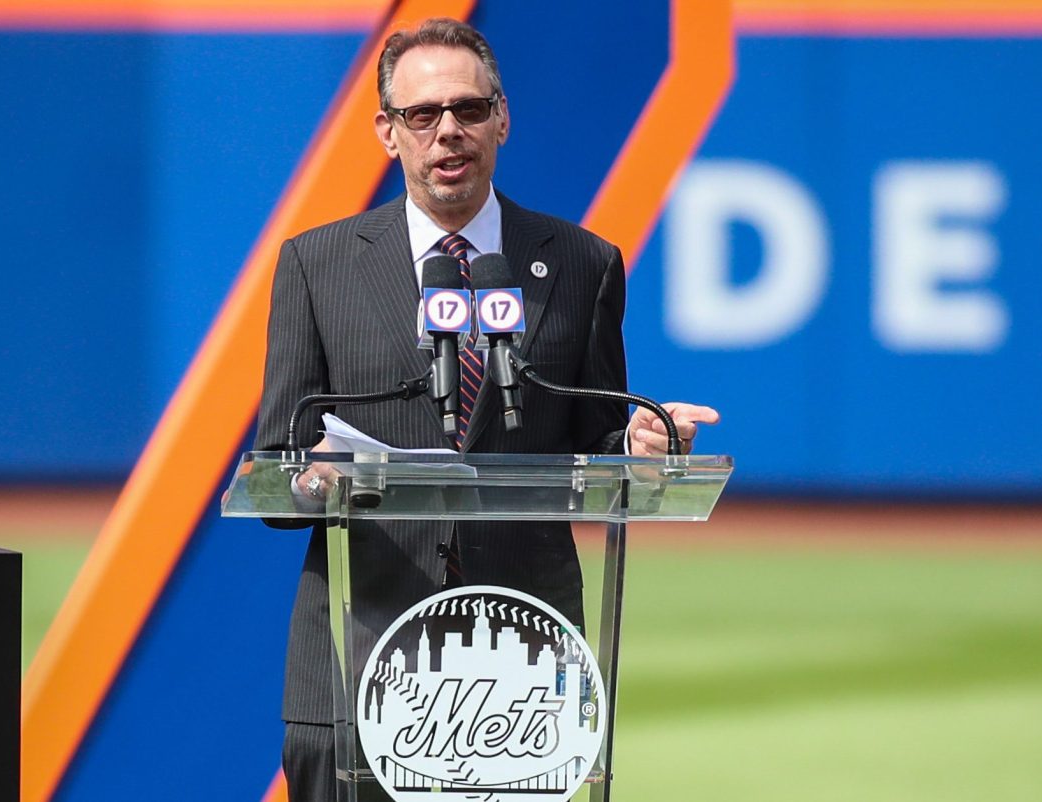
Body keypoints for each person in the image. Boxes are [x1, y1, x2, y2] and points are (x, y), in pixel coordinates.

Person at [251, 18, 719, 801]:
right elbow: (277, 462)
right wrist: (310, 480)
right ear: (386, 131)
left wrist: (635, 441)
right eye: (422, 115)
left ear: (502, 117)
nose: (447, 132)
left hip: (522, 658)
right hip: (362, 638)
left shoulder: (581, 263)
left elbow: (593, 426)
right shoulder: (316, 265)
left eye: (468, 110)